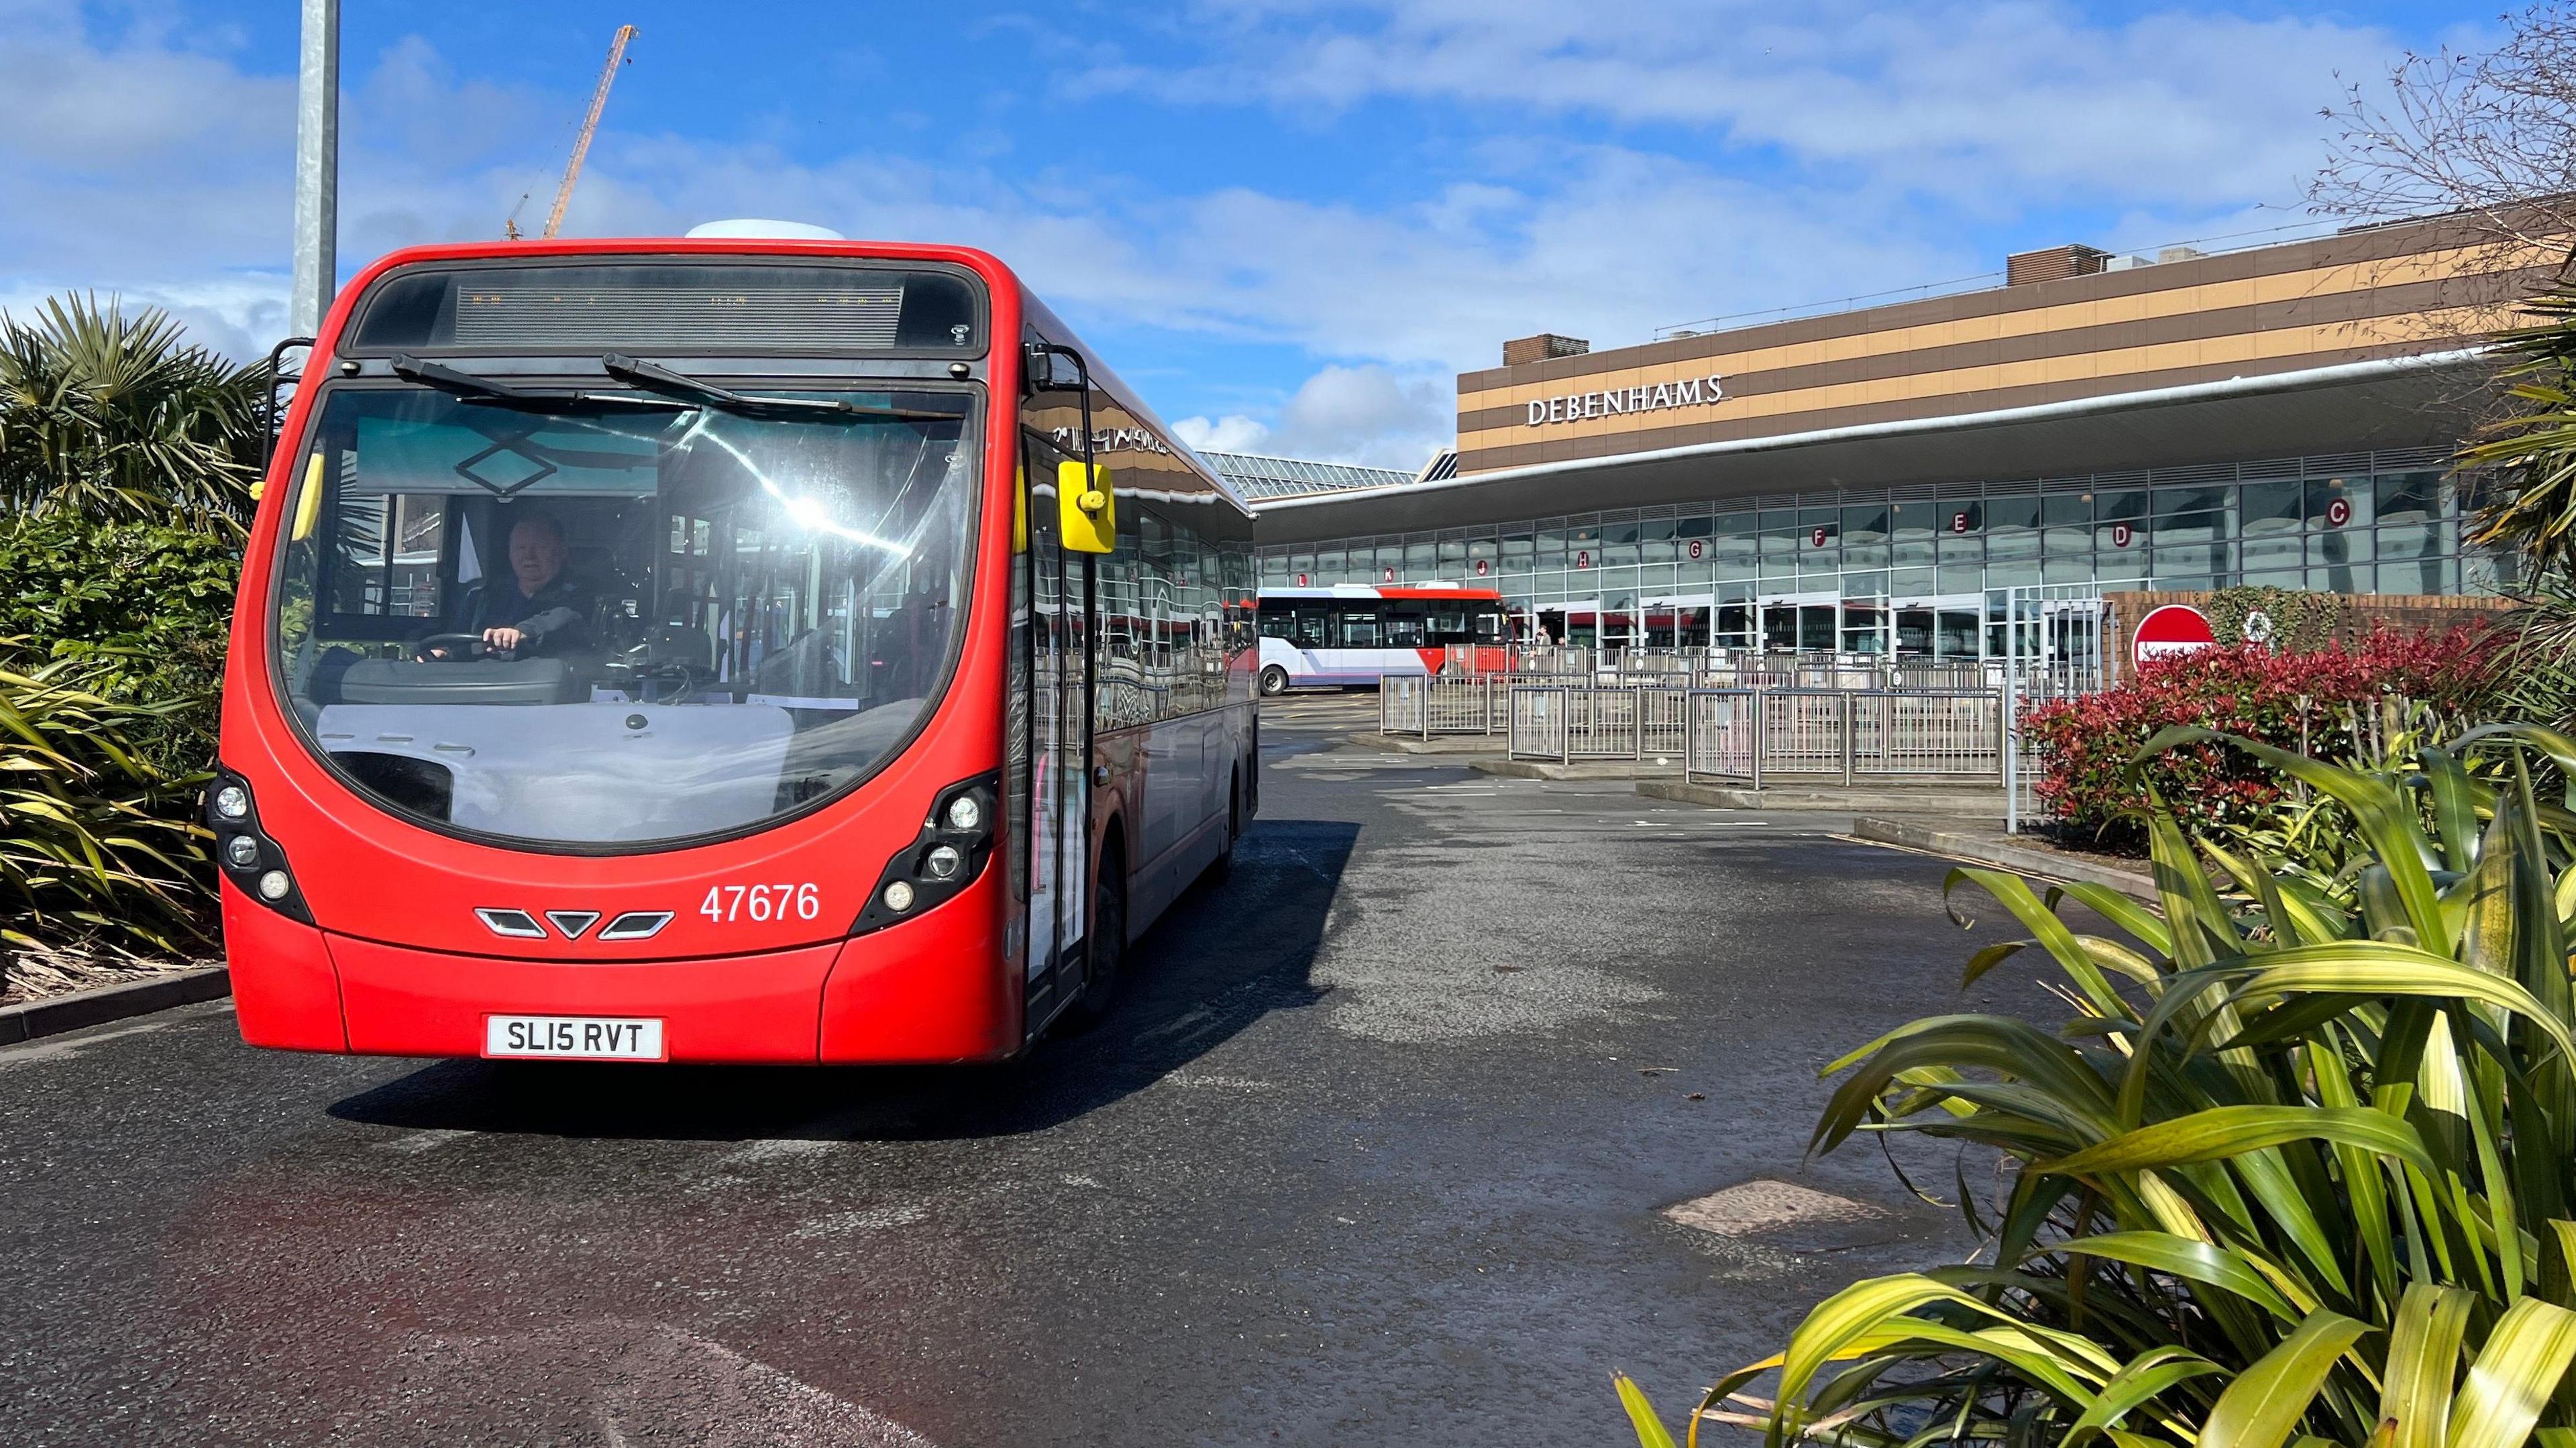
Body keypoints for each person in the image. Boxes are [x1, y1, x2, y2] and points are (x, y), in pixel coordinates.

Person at [441, 511, 594, 657]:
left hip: (546, 681)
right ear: (510, 553)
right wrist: (445, 652)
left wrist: (523, 632)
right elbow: (456, 641)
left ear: (562, 551)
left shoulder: (584, 597)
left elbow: (564, 617)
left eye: (540, 547)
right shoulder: (482, 599)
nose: (529, 556)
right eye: (521, 548)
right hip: (474, 680)